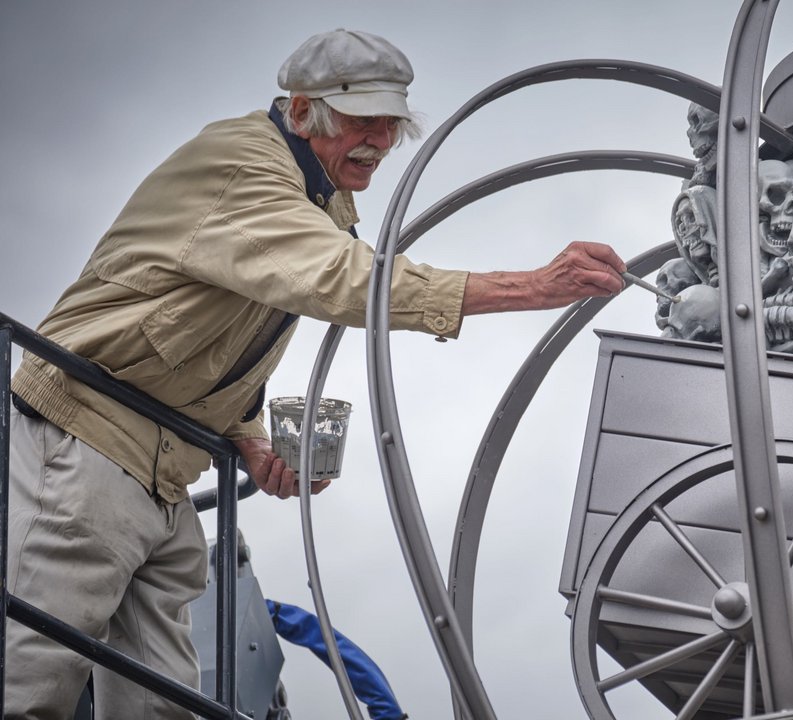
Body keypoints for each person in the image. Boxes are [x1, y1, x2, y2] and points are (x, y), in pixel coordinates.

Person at [3, 28, 626, 719]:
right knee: (25, 682)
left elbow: (202, 331)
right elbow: (343, 279)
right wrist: (533, 287)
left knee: (164, 707)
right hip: (85, 442)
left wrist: (248, 438)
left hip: (159, 472)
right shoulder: (247, 168)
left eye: (391, 126)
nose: (380, 143)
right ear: (302, 113)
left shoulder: (317, 198)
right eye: (362, 122)